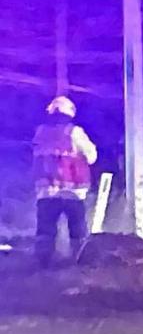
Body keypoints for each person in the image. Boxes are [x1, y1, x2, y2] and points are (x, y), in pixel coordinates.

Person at [32, 96, 97, 268]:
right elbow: (92, 156)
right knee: (77, 231)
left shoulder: (41, 132)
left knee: (45, 232)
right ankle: (78, 265)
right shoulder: (74, 132)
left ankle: (42, 265)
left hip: (46, 193)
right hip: (72, 193)